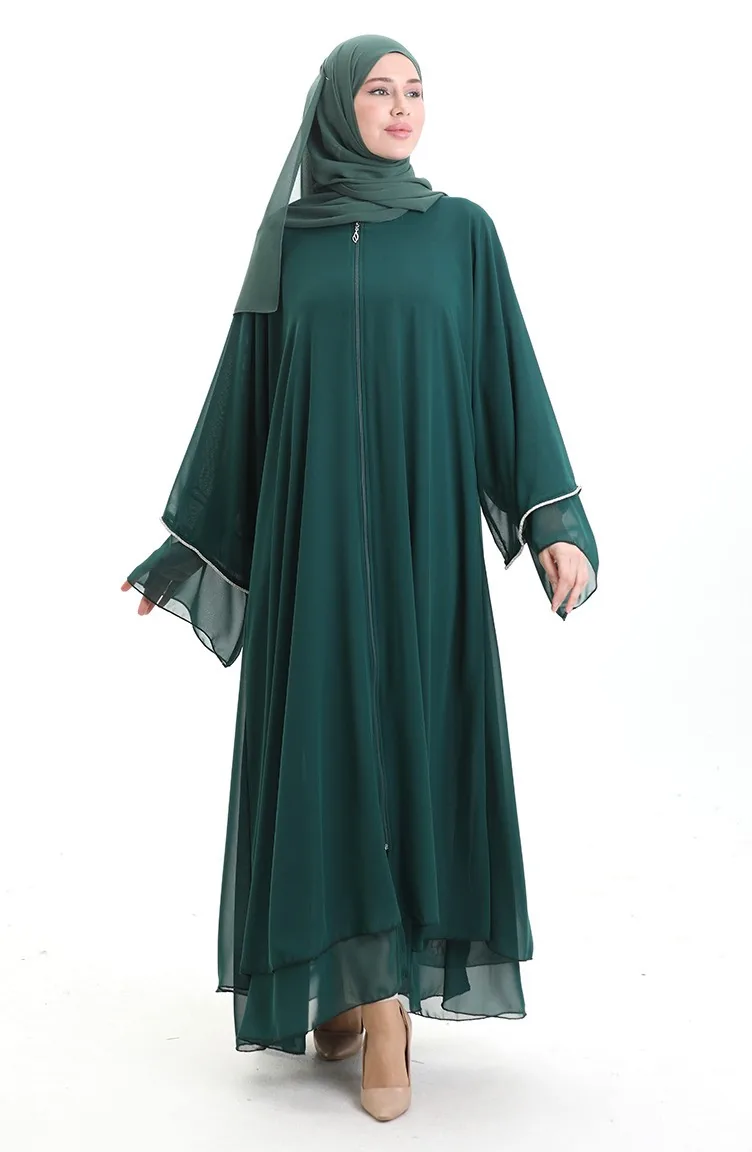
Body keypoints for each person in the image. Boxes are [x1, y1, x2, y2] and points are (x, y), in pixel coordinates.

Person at [121, 33, 598, 1123]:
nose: (399, 106)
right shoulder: (286, 245)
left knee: (408, 741)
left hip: (426, 547)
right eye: (377, 90)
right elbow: (243, 403)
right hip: (315, 548)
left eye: (414, 90)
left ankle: (382, 1004)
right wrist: (186, 551)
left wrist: (553, 521)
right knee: (331, 746)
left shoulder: (460, 232)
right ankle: (350, 981)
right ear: (336, 107)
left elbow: (506, 379)